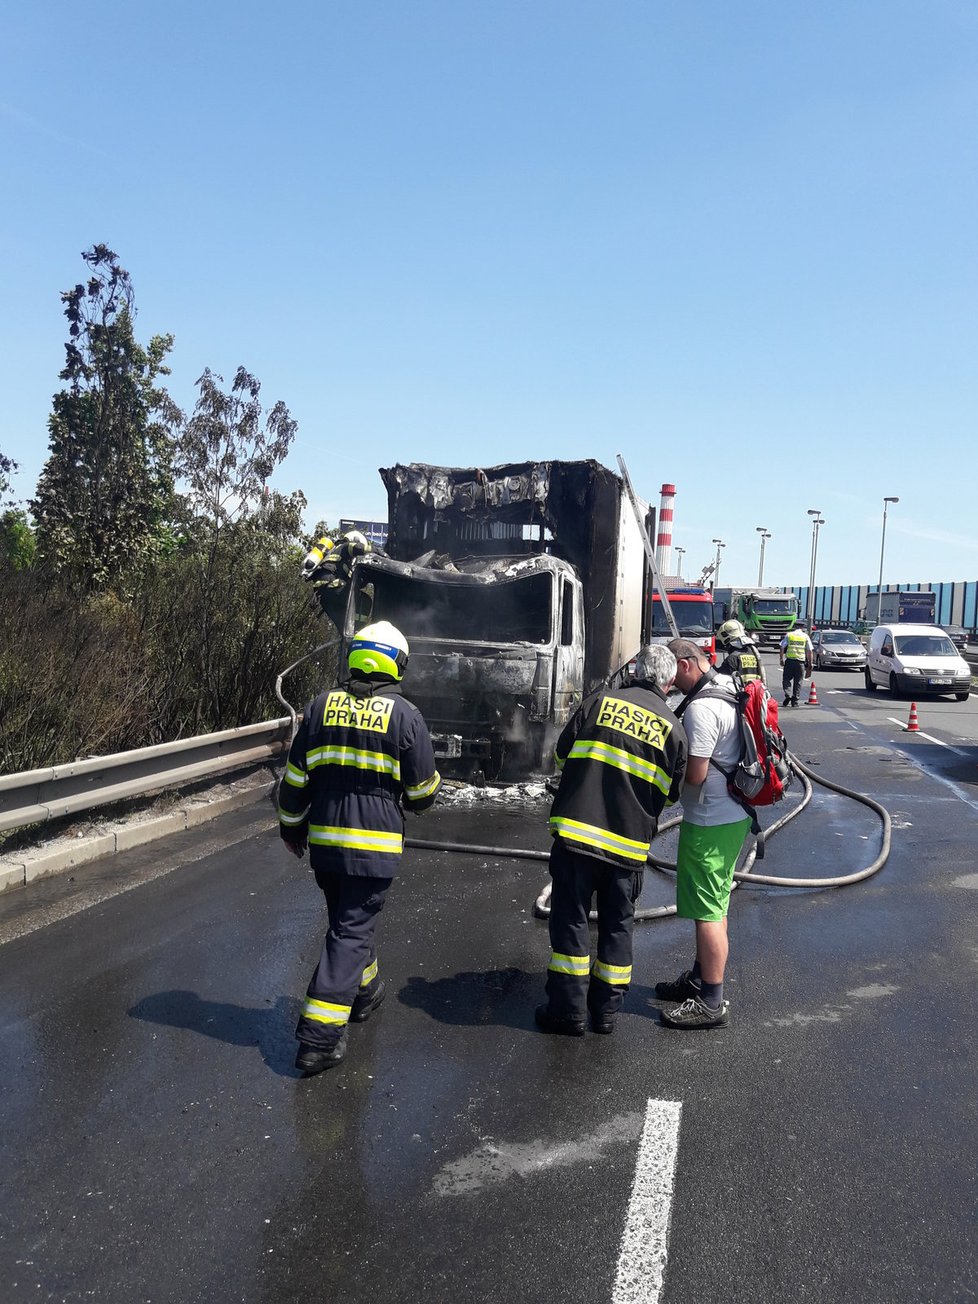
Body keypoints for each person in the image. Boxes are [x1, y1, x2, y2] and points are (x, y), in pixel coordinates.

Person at [278, 620, 441, 1075]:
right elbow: (423, 795)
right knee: (350, 931)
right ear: (397, 665)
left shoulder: (317, 707)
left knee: (346, 923)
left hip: (325, 846)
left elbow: (294, 783)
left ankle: (365, 994)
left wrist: (291, 830)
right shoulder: (406, 716)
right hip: (373, 850)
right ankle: (319, 1038)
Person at [536, 644, 687, 1036]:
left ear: (636, 670)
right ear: (669, 683)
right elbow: (671, 796)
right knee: (618, 927)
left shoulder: (598, 702)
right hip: (627, 848)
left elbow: (560, 755)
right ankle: (604, 1012)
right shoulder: (674, 728)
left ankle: (568, 1012)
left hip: (576, 839)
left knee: (570, 921)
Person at [654, 638, 753, 1029]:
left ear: (685, 665)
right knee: (716, 903)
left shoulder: (700, 709)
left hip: (712, 819)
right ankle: (699, 978)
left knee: (708, 911)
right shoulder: (727, 687)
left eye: (673, 672)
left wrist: (656, 793)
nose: (670, 681)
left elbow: (693, 775)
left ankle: (711, 1000)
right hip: (733, 815)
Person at [716, 619, 766, 685]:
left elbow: (721, 680)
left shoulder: (732, 658)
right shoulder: (753, 653)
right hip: (755, 693)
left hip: (739, 694)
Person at [779, 626, 814, 707]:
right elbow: (810, 651)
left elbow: (782, 647)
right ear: (802, 628)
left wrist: (781, 659)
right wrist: (810, 663)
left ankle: (788, 695)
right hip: (800, 662)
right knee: (798, 682)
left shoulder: (789, 635)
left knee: (786, 679)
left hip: (790, 661)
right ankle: (795, 701)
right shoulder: (805, 636)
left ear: (794, 628)